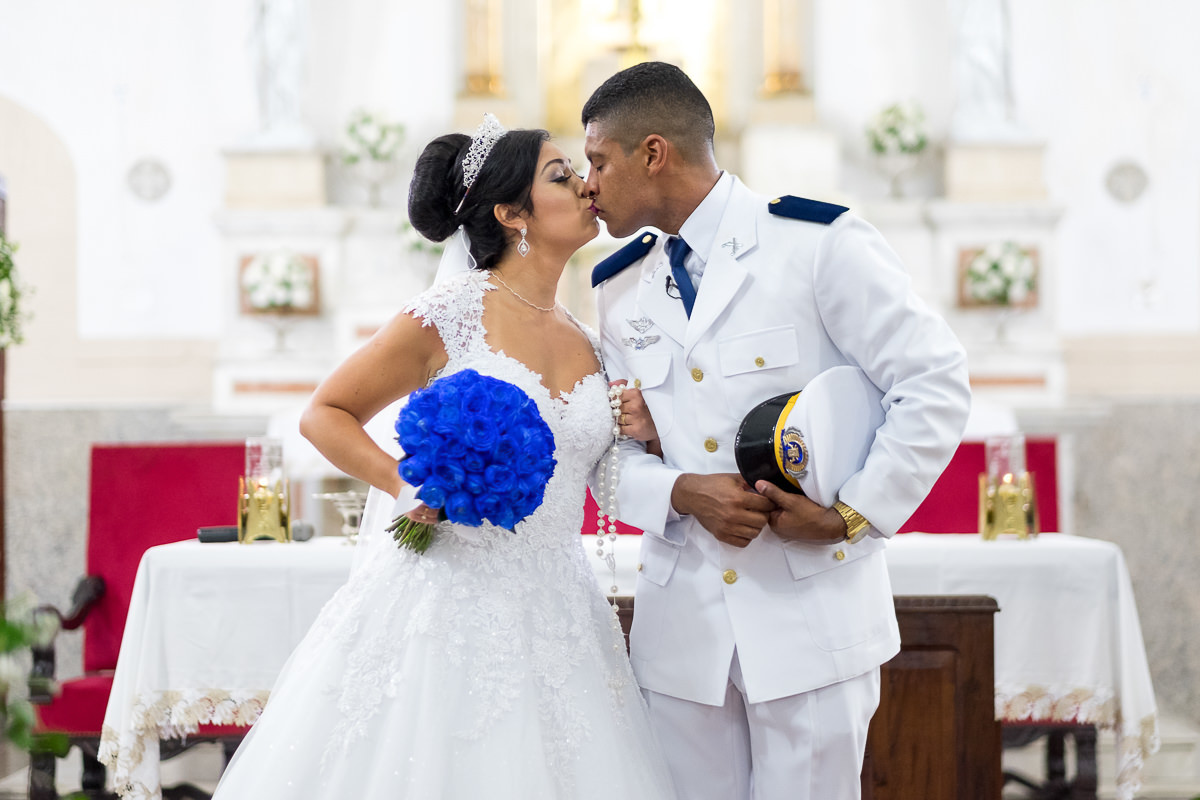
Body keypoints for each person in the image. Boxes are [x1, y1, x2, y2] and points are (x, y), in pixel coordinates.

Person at [211, 115, 677, 799]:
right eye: (561, 175)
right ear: (511, 212)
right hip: (449, 601)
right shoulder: (450, 312)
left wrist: (642, 428)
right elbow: (325, 414)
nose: (585, 186)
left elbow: (596, 472)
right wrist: (405, 485)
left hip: (561, 611)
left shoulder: (589, 339)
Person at [585, 62, 972, 800]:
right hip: (684, 635)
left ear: (654, 152)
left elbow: (933, 379)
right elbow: (609, 452)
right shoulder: (618, 286)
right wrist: (680, 493)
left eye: (600, 160)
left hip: (809, 614)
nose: (589, 183)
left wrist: (853, 513)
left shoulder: (816, 243)